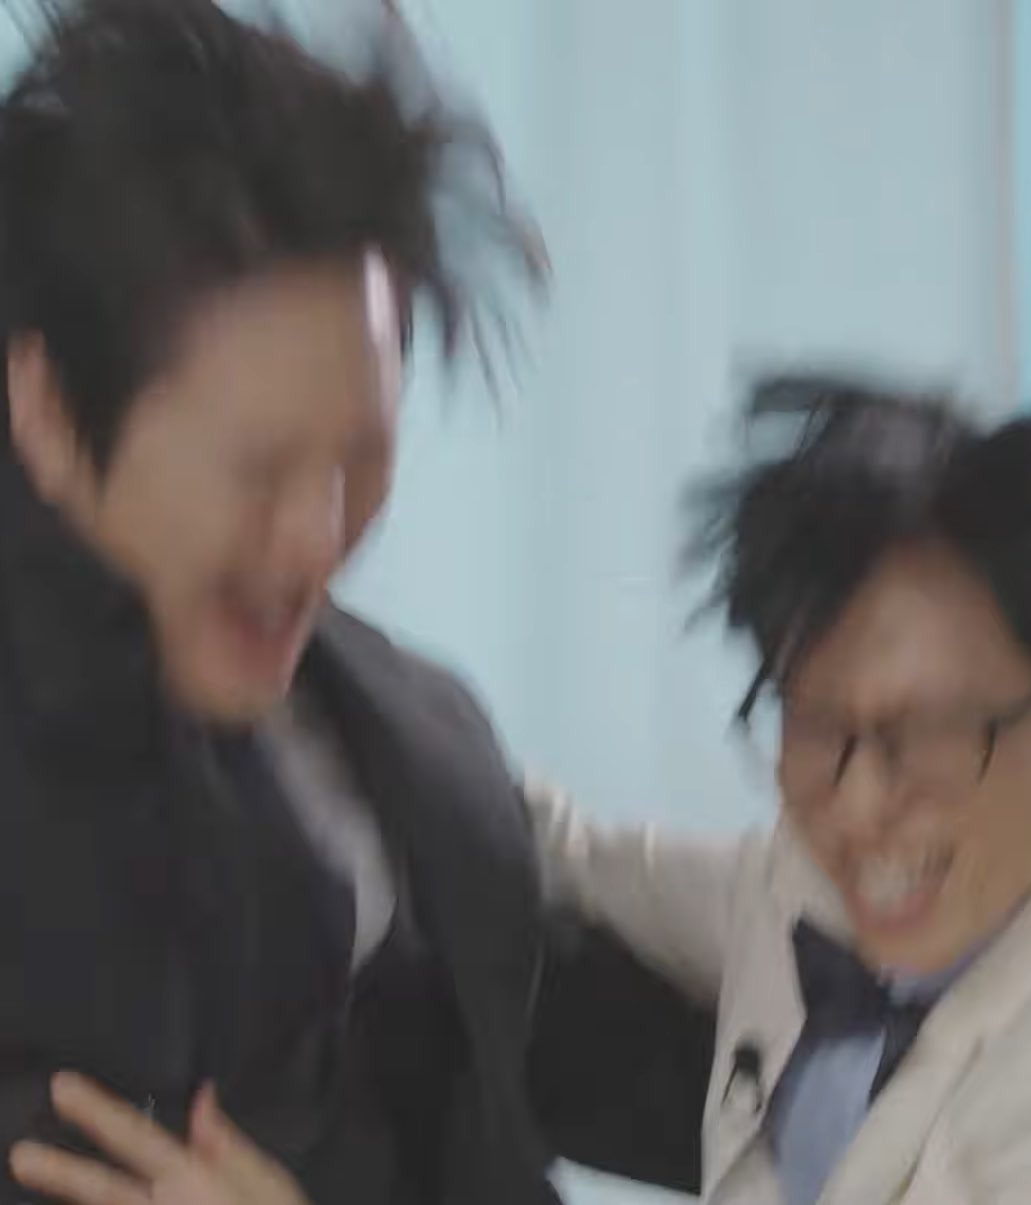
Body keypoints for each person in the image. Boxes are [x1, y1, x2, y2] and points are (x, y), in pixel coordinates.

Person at [0, 2, 713, 1203]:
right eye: (259, 468)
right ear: (50, 410)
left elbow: (559, 1039)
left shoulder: (403, 718)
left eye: (362, 455)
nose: (320, 537)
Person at [524, 375, 1031, 1204]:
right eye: (815, 720)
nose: (857, 804)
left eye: (932, 732)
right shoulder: (808, 884)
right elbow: (574, 856)